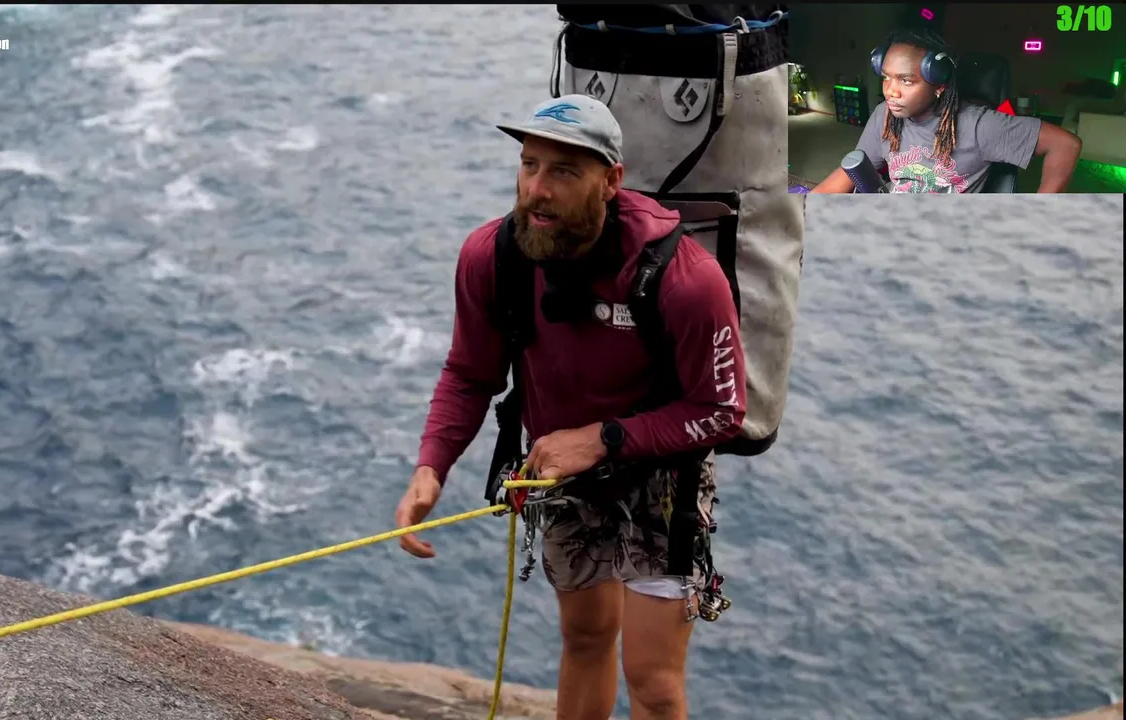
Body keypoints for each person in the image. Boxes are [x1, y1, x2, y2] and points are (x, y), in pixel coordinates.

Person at [393, 94, 747, 720]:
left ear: (611, 181)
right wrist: (431, 466)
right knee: (584, 639)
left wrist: (603, 438)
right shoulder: (493, 257)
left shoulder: (684, 279)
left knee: (652, 679)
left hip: (664, 476)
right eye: (529, 165)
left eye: (563, 171)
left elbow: (721, 410)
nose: (537, 189)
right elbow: (470, 373)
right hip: (561, 469)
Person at [811, 27, 1083, 194]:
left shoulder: (978, 126)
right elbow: (853, 171)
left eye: (906, 81)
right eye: (886, 77)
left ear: (939, 85)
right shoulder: (885, 114)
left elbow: (1066, 144)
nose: (891, 91)